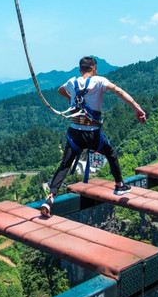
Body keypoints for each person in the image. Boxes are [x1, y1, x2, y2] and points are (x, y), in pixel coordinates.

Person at [39, 56, 146, 217]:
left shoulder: (72, 82)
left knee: (65, 165)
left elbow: (60, 89)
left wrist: (70, 99)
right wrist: (137, 107)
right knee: (111, 154)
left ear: (80, 70)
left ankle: (50, 198)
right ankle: (119, 185)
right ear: (94, 69)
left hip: (75, 133)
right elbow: (118, 91)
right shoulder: (99, 81)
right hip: (93, 133)